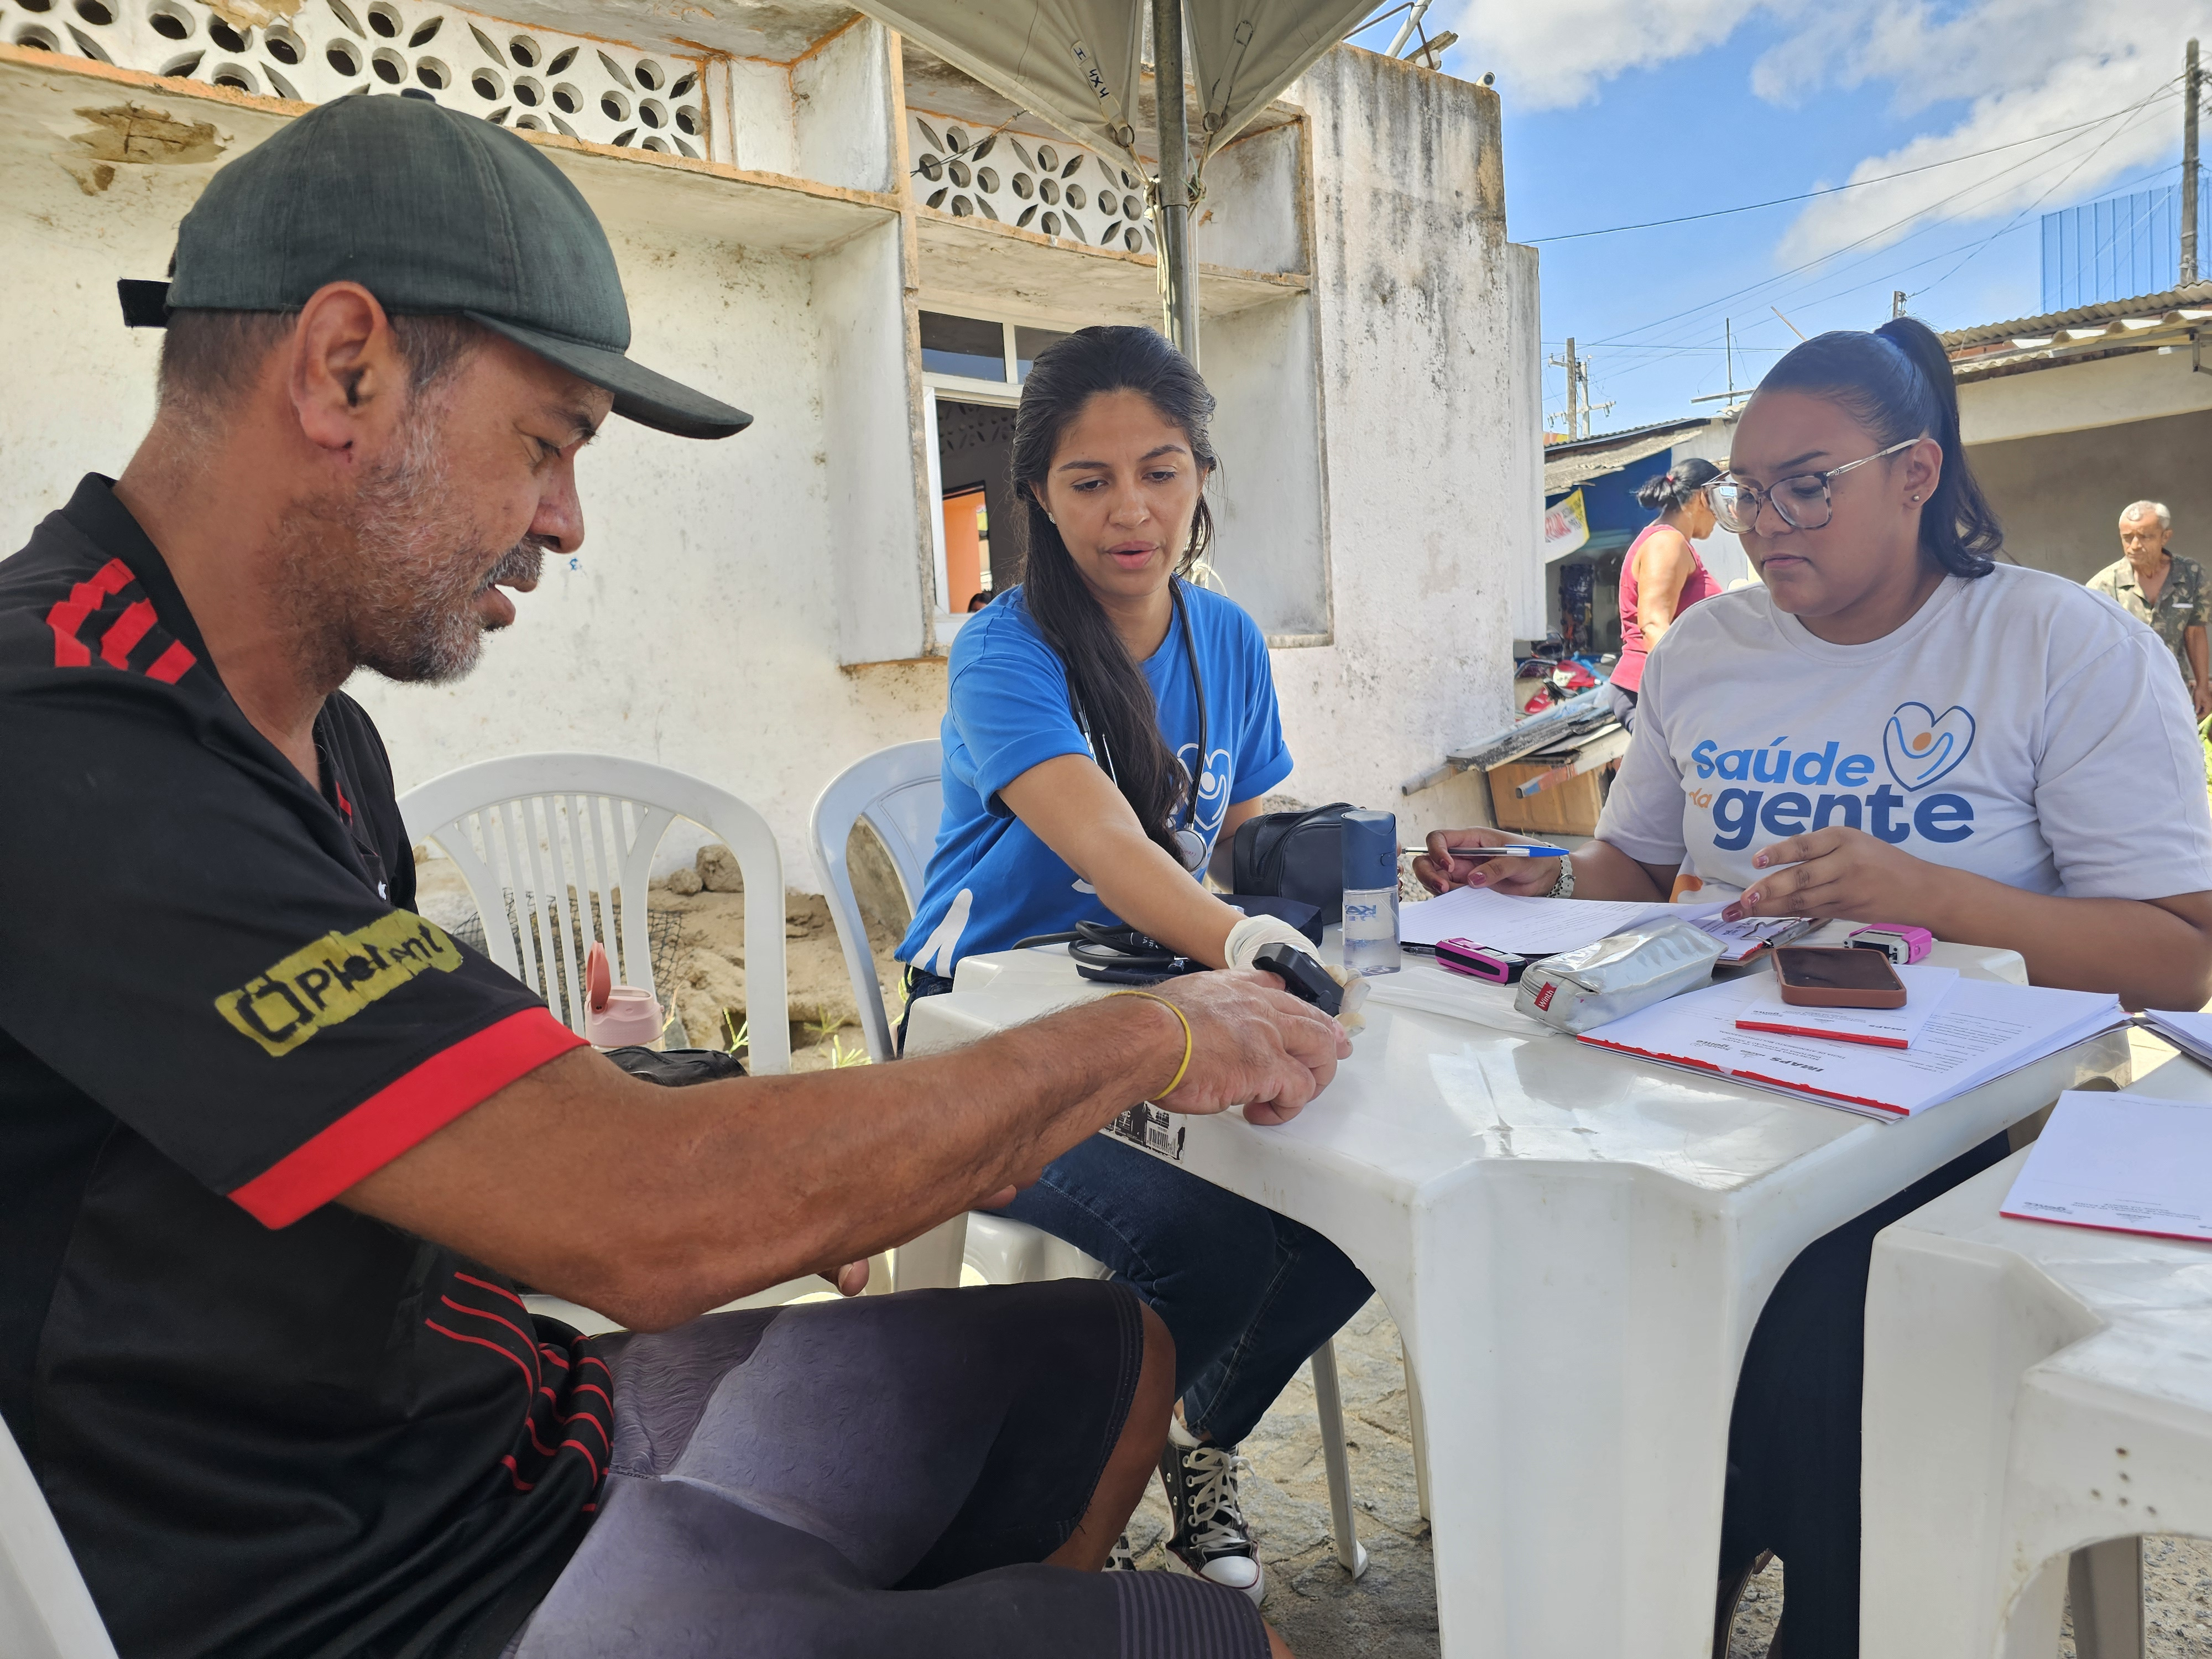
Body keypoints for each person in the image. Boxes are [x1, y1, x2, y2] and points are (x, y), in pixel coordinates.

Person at [0, 98, 1351, 1659]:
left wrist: (735, 1123)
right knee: (1208, 1641)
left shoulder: (322, 742)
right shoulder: (61, 734)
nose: (567, 522)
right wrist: (1159, 1032)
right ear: (344, 367)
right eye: (549, 443)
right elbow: (640, 1225)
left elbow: (412, 1122)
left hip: (509, 1428)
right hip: (369, 1582)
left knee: (1107, 1354)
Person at [1415, 316, 2212, 1656]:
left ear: (1917, 473)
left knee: (1815, 1347)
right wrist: (1541, 873)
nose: (1766, 522)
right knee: (1561, 1285)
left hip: (1954, 1135)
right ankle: (1654, 1579)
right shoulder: (1707, 655)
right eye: (1745, 491)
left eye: (1807, 483)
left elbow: (2177, 953)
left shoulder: (2053, 644)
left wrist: (1928, 894)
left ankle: (1812, 1602)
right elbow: (1637, 869)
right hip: (1712, 1102)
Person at [894, 326, 1372, 1603]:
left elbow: (1250, 824)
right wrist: (1242, 935)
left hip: (1165, 1002)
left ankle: (1182, 1437)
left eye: (1160, 471)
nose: (1130, 510)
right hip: (981, 1032)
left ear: (1200, 474)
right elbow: (1108, 841)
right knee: (1213, 1244)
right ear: (1038, 496)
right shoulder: (1005, 648)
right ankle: (1062, 1501)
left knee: (1357, 1202)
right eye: (1088, 479)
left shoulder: (1224, 637)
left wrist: (1373, 856)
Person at [1606, 457, 1723, 729]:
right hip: (1652, 692)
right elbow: (1653, 624)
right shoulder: (1666, 543)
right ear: (1703, 499)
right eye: (1718, 501)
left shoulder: (1667, 539)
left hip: (1655, 690)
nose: (1720, 515)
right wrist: (1681, 692)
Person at [2088, 500, 2209, 718]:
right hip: (2122, 698)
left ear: (2165, 537)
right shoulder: (2103, 586)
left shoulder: (2191, 575)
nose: (2134, 545)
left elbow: (2195, 632)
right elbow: (2091, 648)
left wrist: (2202, 685)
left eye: (2145, 536)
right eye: (2127, 537)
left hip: (2174, 690)